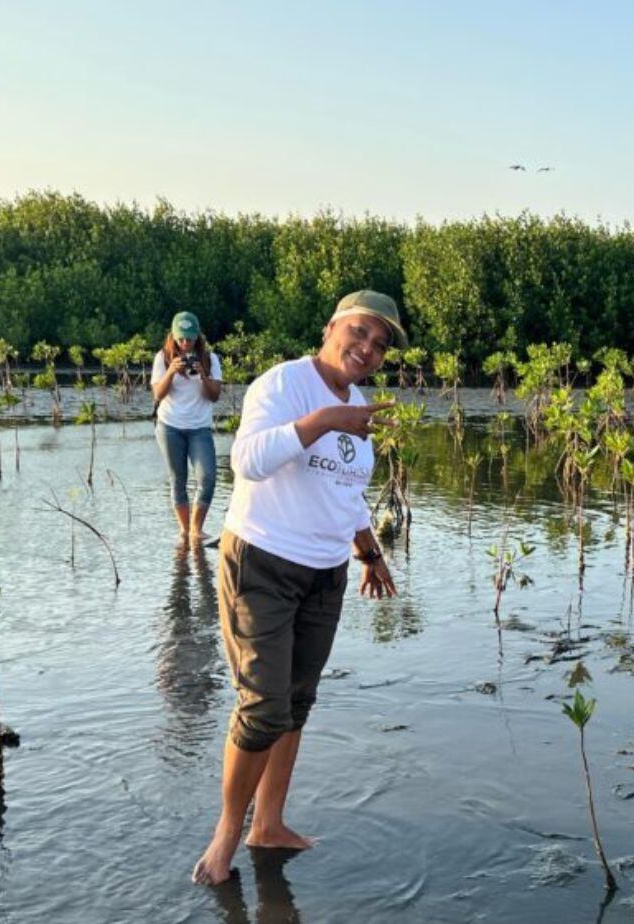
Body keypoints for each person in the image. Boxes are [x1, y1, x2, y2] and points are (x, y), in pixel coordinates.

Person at [191, 290, 405, 886]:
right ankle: (229, 830)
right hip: (261, 562)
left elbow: (344, 489)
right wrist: (322, 421)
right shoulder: (283, 385)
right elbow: (247, 461)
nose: (367, 349)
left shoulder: (359, 402)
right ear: (331, 326)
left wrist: (369, 553)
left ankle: (271, 824)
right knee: (262, 708)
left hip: (324, 573)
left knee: (296, 705)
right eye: (359, 333)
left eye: (380, 344)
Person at [151, 312, 224, 545]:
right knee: (178, 480)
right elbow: (158, 394)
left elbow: (214, 396)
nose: (186, 344)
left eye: (190, 338)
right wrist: (171, 371)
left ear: (197, 336)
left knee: (208, 477)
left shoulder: (211, 359)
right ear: (173, 336)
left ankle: (196, 529)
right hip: (169, 426)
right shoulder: (162, 358)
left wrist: (202, 374)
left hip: (199, 428)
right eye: (181, 339)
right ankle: (185, 531)